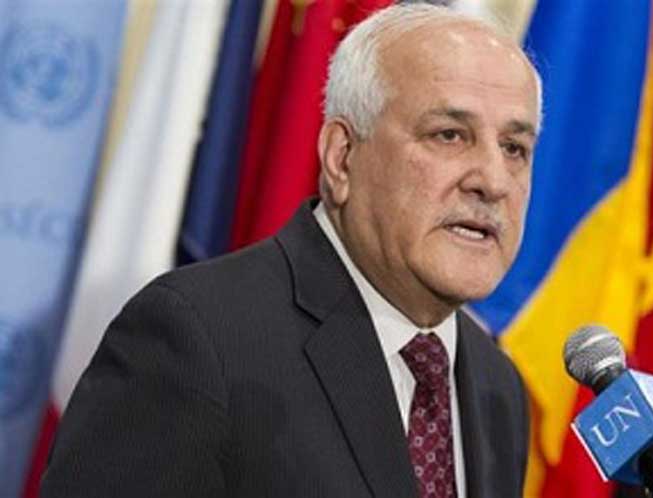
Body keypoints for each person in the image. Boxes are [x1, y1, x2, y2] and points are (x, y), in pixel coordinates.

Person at [41, 4, 541, 497]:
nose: (494, 182)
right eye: (449, 135)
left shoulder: (496, 385)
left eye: (514, 148)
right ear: (342, 157)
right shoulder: (197, 337)